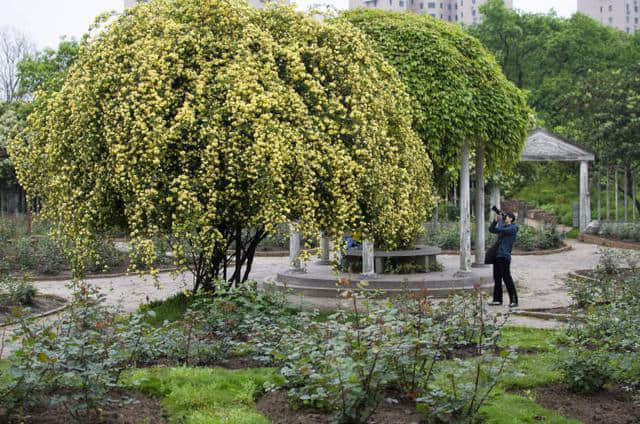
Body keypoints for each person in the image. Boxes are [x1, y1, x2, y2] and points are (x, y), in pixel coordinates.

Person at [488, 211, 518, 307]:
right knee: (497, 278)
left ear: (511, 219)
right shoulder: (503, 227)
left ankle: (514, 300)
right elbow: (491, 229)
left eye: (507, 216)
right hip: (497, 255)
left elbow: (500, 229)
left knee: (507, 278)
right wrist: (495, 220)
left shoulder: (513, 228)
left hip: (504, 256)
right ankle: (497, 300)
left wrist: (500, 221)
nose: (505, 218)